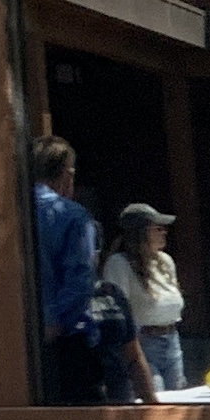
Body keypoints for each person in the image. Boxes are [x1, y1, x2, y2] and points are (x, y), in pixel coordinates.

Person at [30, 137, 127, 404]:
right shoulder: (73, 216)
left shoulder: (12, 212)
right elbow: (80, 281)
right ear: (67, 175)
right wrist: (55, 324)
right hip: (68, 343)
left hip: (18, 344)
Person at [106, 203, 188, 394]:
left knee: (179, 399)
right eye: (158, 228)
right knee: (154, 399)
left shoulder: (165, 261)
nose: (164, 232)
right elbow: (118, 313)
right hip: (143, 344)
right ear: (141, 233)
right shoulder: (119, 264)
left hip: (172, 342)